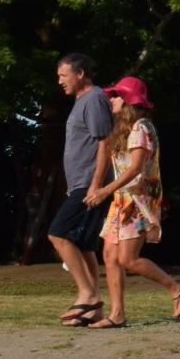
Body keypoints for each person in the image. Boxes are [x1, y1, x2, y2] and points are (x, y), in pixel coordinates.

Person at [82, 76, 180, 328]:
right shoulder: (124, 129)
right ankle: (117, 314)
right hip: (121, 201)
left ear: (129, 101)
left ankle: (176, 288)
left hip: (137, 202)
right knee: (110, 256)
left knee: (127, 259)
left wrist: (103, 190)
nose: (111, 100)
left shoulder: (141, 127)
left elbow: (134, 170)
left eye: (116, 96)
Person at [47, 55, 115, 326]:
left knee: (57, 234)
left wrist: (96, 184)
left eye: (64, 75)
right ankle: (93, 309)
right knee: (84, 244)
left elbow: (105, 142)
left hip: (90, 184)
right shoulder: (81, 102)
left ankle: (86, 294)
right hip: (81, 184)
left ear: (80, 73)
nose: (60, 81)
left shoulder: (94, 99)